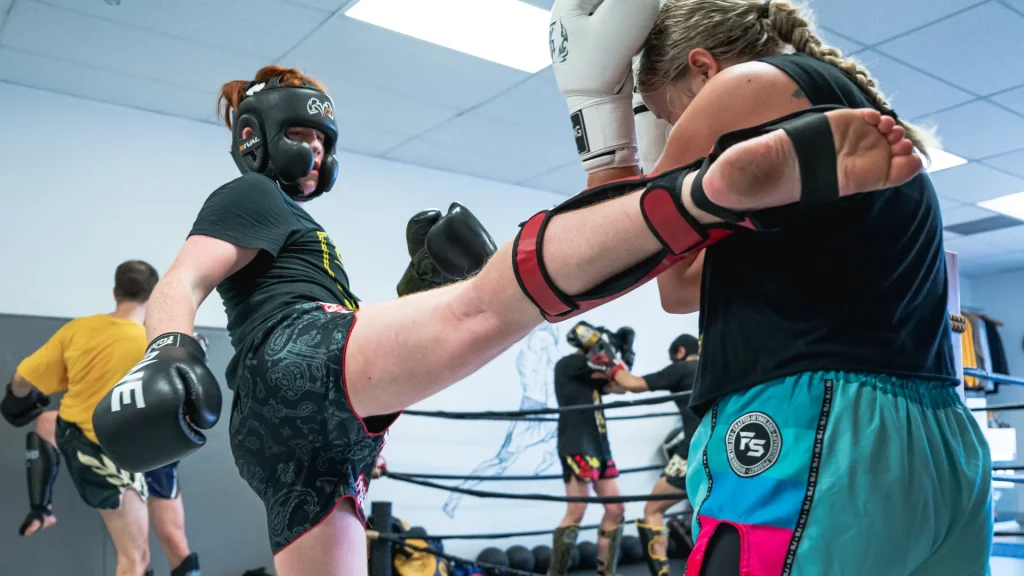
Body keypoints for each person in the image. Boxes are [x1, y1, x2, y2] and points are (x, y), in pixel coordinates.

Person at [90, 48, 922, 576]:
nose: (315, 154)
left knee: (465, 312)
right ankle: (702, 196)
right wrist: (168, 350)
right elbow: (181, 280)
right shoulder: (247, 196)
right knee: (487, 309)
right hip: (293, 371)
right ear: (254, 137)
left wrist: (415, 292)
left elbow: (348, 349)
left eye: (323, 143)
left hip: (300, 441)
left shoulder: (293, 232)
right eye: (303, 138)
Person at [558, 0, 991, 574]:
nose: (670, 133)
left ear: (703, 68)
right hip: (939, 441)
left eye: (666, 115)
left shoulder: (743, 85)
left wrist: (605, 134)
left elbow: (613, 258)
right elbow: (681, 291)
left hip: (815, 432)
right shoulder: (848, 113)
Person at [0, 261, 200, 576]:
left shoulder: (80, 331)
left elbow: (22, 379)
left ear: (115, 292)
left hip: (111, 447)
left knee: (140, 557)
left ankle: (41, 507)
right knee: (160, 550)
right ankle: (41, 507)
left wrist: (16, 399)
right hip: (141, 451)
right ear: (152, 296)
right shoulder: (161, 341)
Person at [597, 333, 701, 576]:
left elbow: (633, 384)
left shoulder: (682, 368)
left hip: (694, 451)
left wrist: (609, 362)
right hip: (726, 450)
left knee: (653, 509)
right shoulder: (714, 367)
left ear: (680, 352)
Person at [442, 324, 561, 519]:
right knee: (500, 463)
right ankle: (457, 494)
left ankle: (547, 461)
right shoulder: (540, 340)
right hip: (532, 412)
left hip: (544, 412)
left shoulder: (539, 347)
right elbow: (558, 362)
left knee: (570, 430)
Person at [546, 320, 634, 576]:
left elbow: (622, 386)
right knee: (577, 510)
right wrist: (613, 357)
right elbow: (608, 370)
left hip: (599, 445)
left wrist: (626, 357)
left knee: (616, 509)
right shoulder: (569, 364)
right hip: (577, 443)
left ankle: (606, 573)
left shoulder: (592, 373)